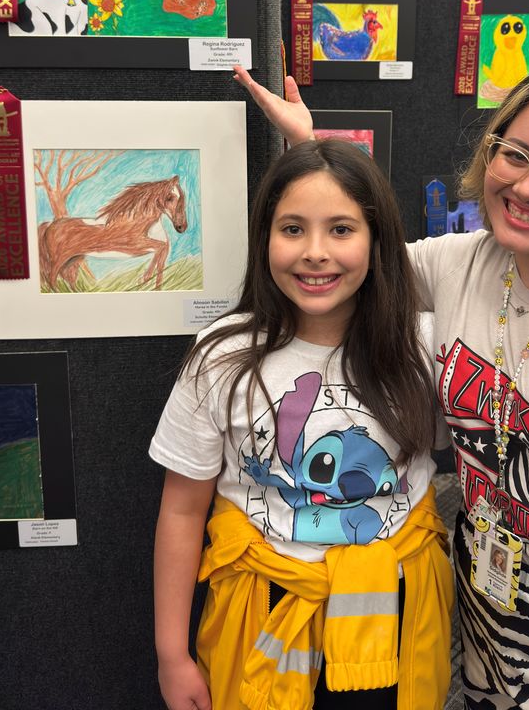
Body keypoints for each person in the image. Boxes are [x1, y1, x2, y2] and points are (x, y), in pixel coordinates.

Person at [233, 58, 529, 710]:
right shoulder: (457, 267)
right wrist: (308, 152)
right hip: (483, 616)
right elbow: (343, 254)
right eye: (516, 154)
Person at [150, 140, 454, 710]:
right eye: (292, 229)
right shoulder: (222, 356)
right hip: (262, 612)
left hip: (394, 610)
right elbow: (182, 509)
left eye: (341, 229)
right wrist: (172, 654)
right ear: (264, 237)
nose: (316, 252)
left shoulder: (424, 346)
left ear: (378, 240)